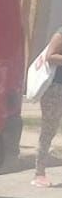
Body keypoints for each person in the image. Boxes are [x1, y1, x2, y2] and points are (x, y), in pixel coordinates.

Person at [33, 29, 62, 187]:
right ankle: (39, 173)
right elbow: (50, 56)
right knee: (49, 129)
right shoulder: (61, 33)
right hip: (55, 89)